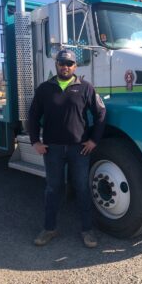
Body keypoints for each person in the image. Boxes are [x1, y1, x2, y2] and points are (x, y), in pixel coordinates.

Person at [28, 49, 106, 248]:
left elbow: (100, 114)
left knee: (82, 188)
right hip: (52, 149)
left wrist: (94, 141)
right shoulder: (44, 89)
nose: (65, 66)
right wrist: (35, 141)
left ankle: (87, 231)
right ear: (56, 65)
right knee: (53, 189)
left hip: (79, 150)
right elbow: (33, 116)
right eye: (62, 63)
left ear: (75, 67)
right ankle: (49, 228)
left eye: (69, 63)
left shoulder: (85, 88)